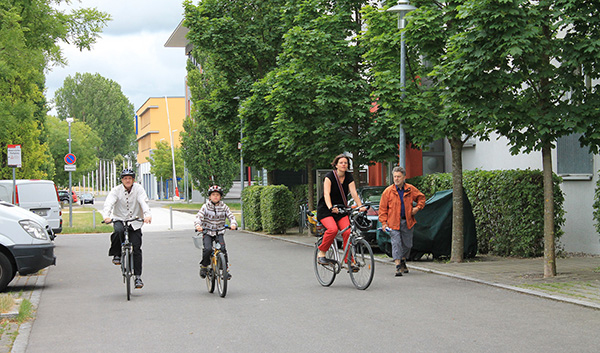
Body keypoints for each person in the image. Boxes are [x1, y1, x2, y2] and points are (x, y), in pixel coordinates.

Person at [102, 169, 152, 289]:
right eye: (125, 178)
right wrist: (107, 216)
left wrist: (147, 215)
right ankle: (117, 255)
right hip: (120, 218)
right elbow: (109, 203)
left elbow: (143, 202)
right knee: (118, 231)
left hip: (135, 221)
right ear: (122, 180)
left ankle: (138, 277)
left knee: (137, 248)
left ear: (133, 180)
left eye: (130, 178)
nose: (127, 180)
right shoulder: (116, 190)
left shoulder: (139, 189)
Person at [316, 154, 366, 269]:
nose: (344, 165)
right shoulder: (329, 176)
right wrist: (330, 207)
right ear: (336, 165)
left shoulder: (349, 177)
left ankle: (349, 261)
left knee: (348, 232)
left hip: (341, 209)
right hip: (326, 210)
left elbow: (354, 193)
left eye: (346, 163)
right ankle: (321, 252)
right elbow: (326, 194)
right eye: (341, 163)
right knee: (332, 230)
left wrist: (360, 206)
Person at [378, 166, 426, 276]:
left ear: (404, 177)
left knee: (408, 245)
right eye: (394, 177)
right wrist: (384, 223)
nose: (396, 179)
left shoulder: (410, 189)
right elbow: (382, 209)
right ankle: (398, 266)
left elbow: (421, 198)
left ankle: (403, 260)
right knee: (396, 244)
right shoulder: (388, 191)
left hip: (407, 221)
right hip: (393, 222)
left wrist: (417, 208)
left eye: (399, 177)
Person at [194, 185, 238, 279]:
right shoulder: (205, 207)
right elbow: (199, 217)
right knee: (208, 249)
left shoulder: (224, 207)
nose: (215, 196)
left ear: (220, 197)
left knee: (223, 249)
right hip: (207, 231)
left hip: (219, 231)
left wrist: (233, 224)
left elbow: (231, 217)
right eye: (213, 195)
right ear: (210, 197)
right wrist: (198, 225)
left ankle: (225, 270)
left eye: (217, 195)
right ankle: (204, 266)